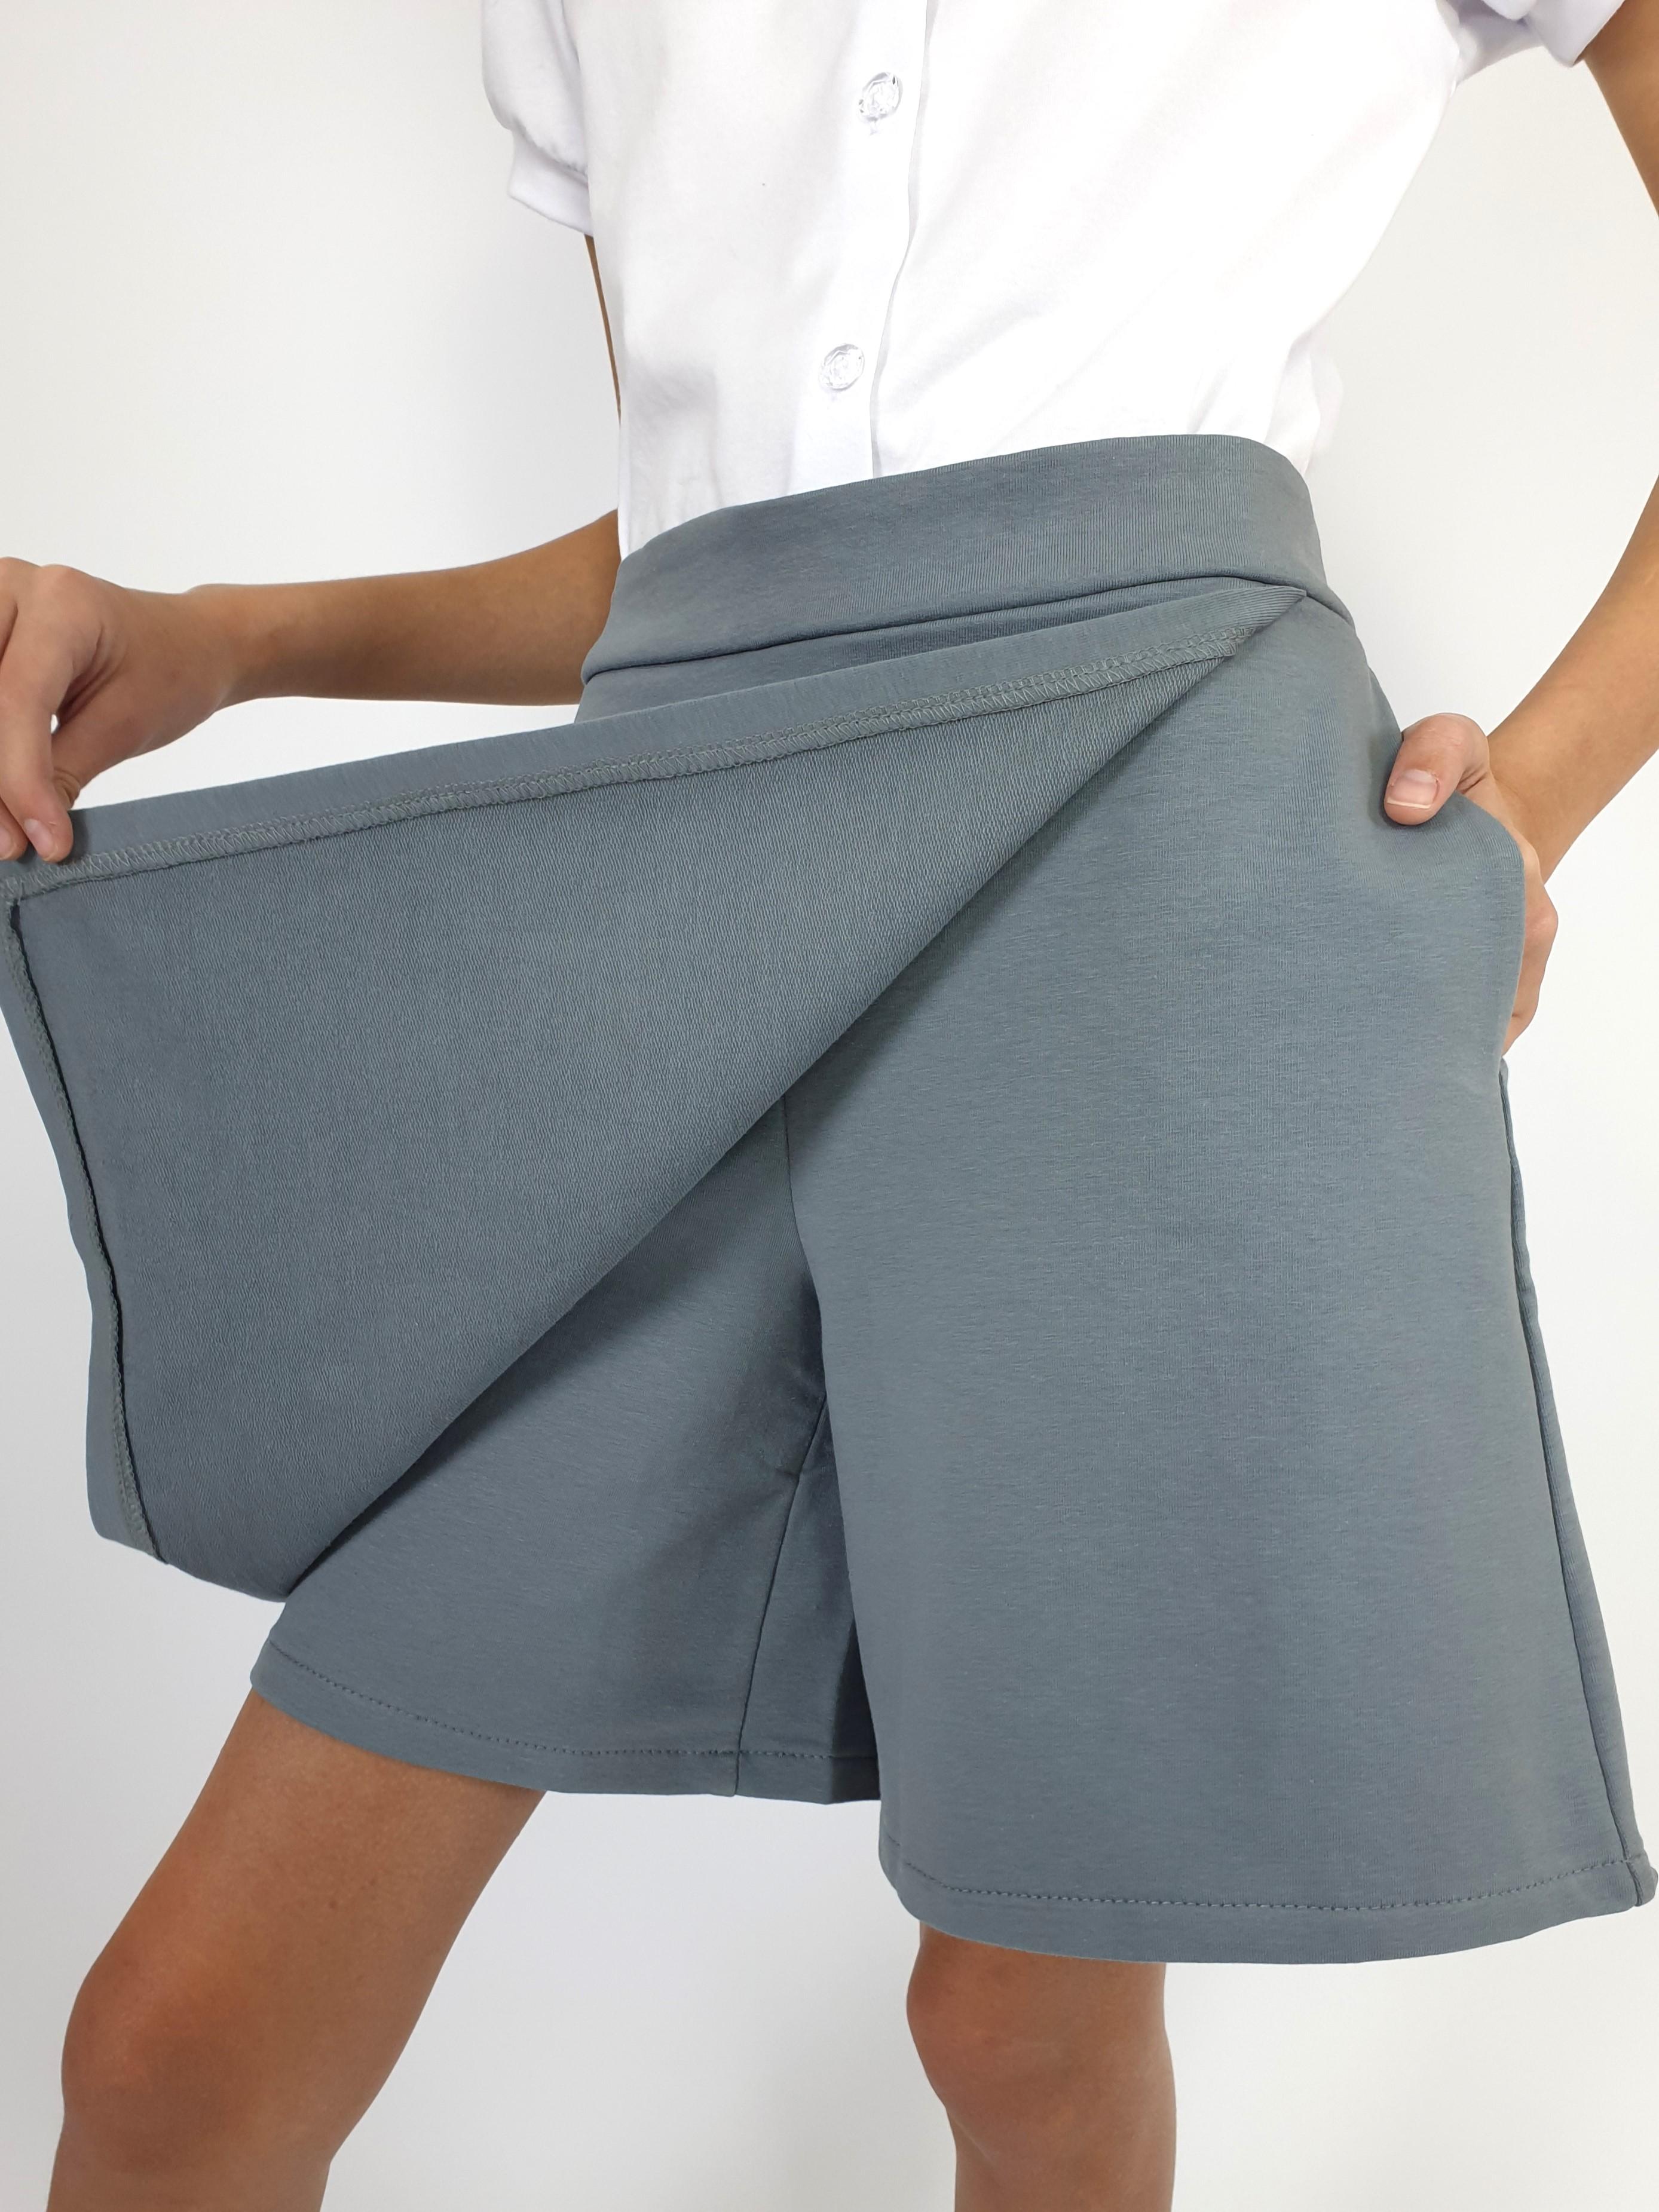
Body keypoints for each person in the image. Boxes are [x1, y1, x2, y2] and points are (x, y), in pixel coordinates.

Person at [1, 2, 1655, 2205]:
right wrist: (229, 637)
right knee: (176, 2047)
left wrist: (1535, 798)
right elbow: (708, 547)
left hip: (1150, 860)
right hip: (689, 883)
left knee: (1023, 2031)